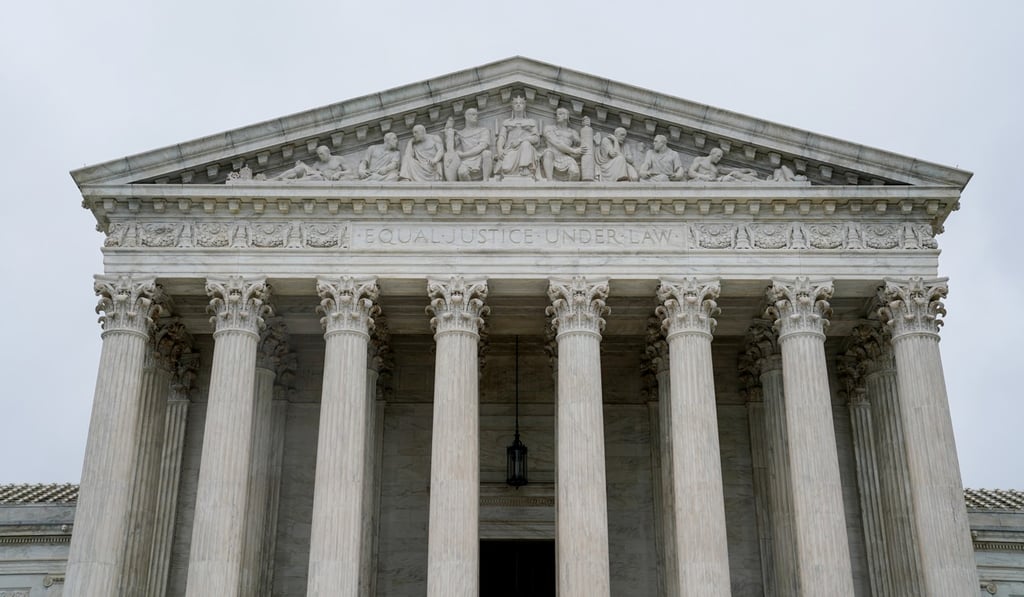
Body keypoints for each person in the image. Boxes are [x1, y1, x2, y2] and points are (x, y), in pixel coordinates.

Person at [495, 96, 540, 179]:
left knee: (525, 144)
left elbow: (536, 139)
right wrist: (500, 149)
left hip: (526, 150)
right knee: (506, 168)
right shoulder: (507, 122)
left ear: (524, 106)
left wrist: (520, 140)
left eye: (521, 103)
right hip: (510, 149)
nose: (518, 105)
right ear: (512, 106)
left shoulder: (531, 122)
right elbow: (502, 137)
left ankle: (525, 168)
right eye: (516, 103)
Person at [443, 108, 493, 181]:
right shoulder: (460, 133)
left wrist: (464, 154)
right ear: (466, 117)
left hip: (480, 158)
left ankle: (485, 181)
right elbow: (450, 150)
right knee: (462, 173)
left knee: (487, 153)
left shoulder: (484, 130)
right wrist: (448, 131)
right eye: (473, 114)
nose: (475, 116)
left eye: (476, 115)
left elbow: (482, 146)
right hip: (466, 161)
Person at [541, 107, 583, 181]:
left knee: (575, 172)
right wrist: (573, 151)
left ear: (566, 116)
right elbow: (557, 143)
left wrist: (586, 126)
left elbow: (582, 148)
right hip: (552, 156)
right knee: (548, 152)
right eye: (557, 114)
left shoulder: (573, 133)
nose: (558, 116)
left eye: (560, 114)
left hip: (566, 157)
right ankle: (549, 182)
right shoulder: (549, 128)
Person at [272, 145, 350, 181]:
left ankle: (293, 182)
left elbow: (350, 171)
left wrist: (339, 174)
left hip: (328, 180)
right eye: (319, 154)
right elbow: (310, 173)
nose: (320, 156)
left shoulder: (338, 159)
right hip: (319, 177)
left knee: (318, 178)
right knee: (300, 168)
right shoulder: (317, 164)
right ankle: (276, 179)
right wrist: (302, 165)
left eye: (321, 154)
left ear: (328, 152)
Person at [689, 147, 760, 182]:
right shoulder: (700, 160)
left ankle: (757, 181)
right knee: (730, 179)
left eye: (720, 157)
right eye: (718, 156)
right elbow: (691, 172)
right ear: (712, 153)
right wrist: (703, 176)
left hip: (716, 181)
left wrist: (747, 170)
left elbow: (732, 170)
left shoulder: (716, 168)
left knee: (735, 173)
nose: (719, 159)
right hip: (702, 182)